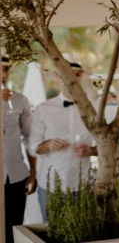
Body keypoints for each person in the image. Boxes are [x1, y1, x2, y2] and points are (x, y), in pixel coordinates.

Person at [29, 62, 97, 221]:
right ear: (58, 78)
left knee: (84, 235)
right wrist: (47, 144)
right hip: (50, 186)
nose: (72, 78)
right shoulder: (43, 109)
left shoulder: (95, 108)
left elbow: (109, 144)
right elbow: (33, 147)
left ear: (81, 78)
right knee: (51, 235)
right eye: (67, 73)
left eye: (77, 74)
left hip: (83, 185)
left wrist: (92, 151)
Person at [1, 56, 36, 243]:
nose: (2, 73)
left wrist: (33, 171)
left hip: (15, 179)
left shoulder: (20, 101)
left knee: (10, 240)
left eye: (4, 68)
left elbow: (29, 138)